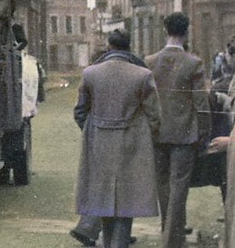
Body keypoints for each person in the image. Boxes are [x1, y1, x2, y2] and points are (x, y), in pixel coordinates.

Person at [74, 29, 160, 248]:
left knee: (103, 199)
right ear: (129, 47)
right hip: (132, 145)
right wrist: (143, 137)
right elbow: (154, 116)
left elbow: (80, 111)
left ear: (109, 46)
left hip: (99, 143)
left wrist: (94, 131)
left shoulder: (90, 73)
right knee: (126, 202)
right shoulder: (143, 75)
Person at [145, 12, 210, 248]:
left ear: (165, 30)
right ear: (186, 32)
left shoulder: (150, 61)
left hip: (157, 132)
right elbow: (201, 103)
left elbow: (146, 100)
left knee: (162, 186)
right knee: (179, 187)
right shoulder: (193, 63)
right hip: (184, 134)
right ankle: (173, 240)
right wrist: (204, 133)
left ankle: (170, 231)